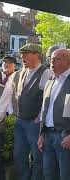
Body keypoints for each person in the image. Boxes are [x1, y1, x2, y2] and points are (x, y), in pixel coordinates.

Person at [0, 43, 53, 180]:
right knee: (19, 156)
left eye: (25, 54)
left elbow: (50, 100)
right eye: (21, 54)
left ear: (36, 55)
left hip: (34, 124)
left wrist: (40, 118)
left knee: (37, 158)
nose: (22, 57)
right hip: (20, 122)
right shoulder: (18, 74)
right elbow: (8, 97)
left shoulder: (46, 73)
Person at [37, 49, 70, 180]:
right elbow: (45, 109)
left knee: (65, 175)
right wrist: (41, 134)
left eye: (56, 59)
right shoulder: (50, 81)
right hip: (48, 136)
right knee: (49, 174)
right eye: (51, 59)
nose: (52, 62)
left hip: (64, 136)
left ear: (68, 62)